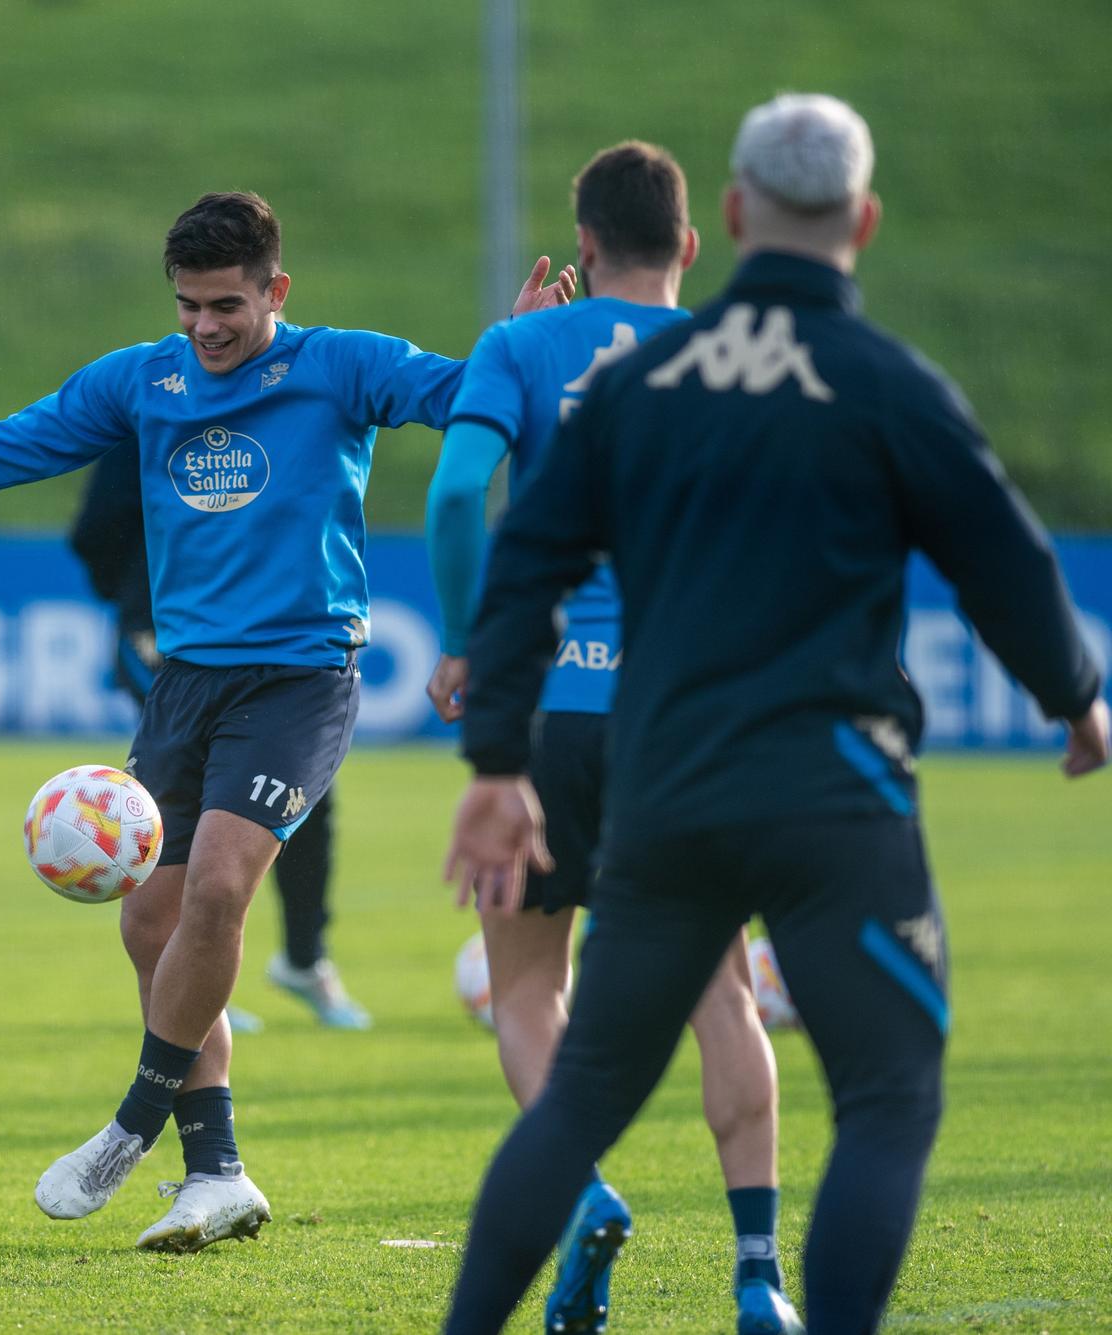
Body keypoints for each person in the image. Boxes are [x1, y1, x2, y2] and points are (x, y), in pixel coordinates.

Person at [0, 191, 573, 1252]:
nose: (204, 327)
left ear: (276, 289)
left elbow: (475, 405)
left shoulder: (341, 366)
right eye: (187, 305)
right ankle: (216, 1174)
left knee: (221, 887)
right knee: (150, 924)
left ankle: (132, 1121)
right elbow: (12, 446)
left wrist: (518, 349)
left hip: (300, 676)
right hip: (183, 685)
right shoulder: (141, 381)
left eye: (226, 304)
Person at [439, 94, 1109, 1335]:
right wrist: (1072, 699)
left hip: (664, 786)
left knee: (581, 1090)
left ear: (739, 215)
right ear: (858, 217)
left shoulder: (640, 386)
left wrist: (491, 757)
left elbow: (520, 549)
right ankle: (769, 1286)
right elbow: (1002, 560)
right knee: (885, 1095)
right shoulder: (882, 382)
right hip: (831, 790)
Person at [427, 142, 793, 1334]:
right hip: (684, 722)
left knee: (527, 985)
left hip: (545, 720)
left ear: (579, 246)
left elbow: (449, 494)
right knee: (721, 990)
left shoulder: (519, 345)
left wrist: (468, 638)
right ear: (692, 245)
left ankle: (579, 1190)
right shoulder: (744, 355)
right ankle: (757, 1278)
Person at [70, 440, 370, 1030]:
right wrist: (138, 590)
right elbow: (95, 529)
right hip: (160, 631)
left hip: (262, 640)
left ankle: (303, 959)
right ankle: (195, 973)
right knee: (187, 792)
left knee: (297, 796)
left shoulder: (274, 408)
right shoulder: (152, 411)